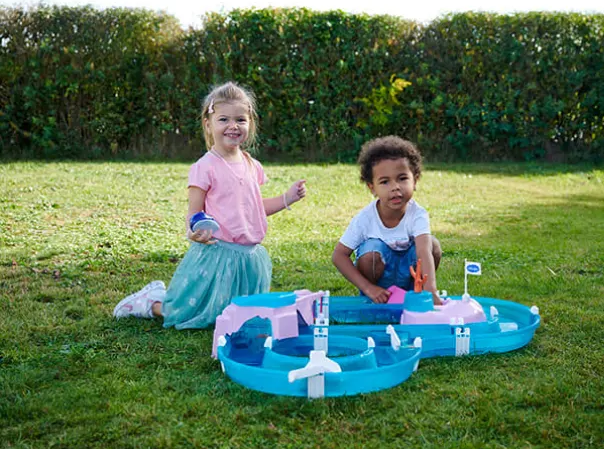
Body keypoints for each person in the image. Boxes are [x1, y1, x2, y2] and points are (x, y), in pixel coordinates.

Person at [113, 81, 306, 327]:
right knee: (186, 314)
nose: (233, 126)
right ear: (208, 124)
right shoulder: (205, 167)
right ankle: (150, 302)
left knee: (236, 318)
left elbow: (255, 208)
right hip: (217, 256)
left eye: (240, 120)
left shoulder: (251, 165)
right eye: (223, 119)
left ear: (250, 123)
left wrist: (287, 198)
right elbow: (194, 213)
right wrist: (194, 232)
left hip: (248, 259)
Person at [332, 136, 442, 305]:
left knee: (432, 245)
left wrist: (430, 291)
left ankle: (415, 292)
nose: (395, 187)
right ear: (372, 188)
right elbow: (339, 255)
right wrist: (368, 288)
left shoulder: (418, 214)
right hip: (377, 284)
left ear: (415, 181)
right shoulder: (365, 218)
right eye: (384, 182)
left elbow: (423, 251)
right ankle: (375, 297)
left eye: (402, 178)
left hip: (409, 275)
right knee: (370, 253)